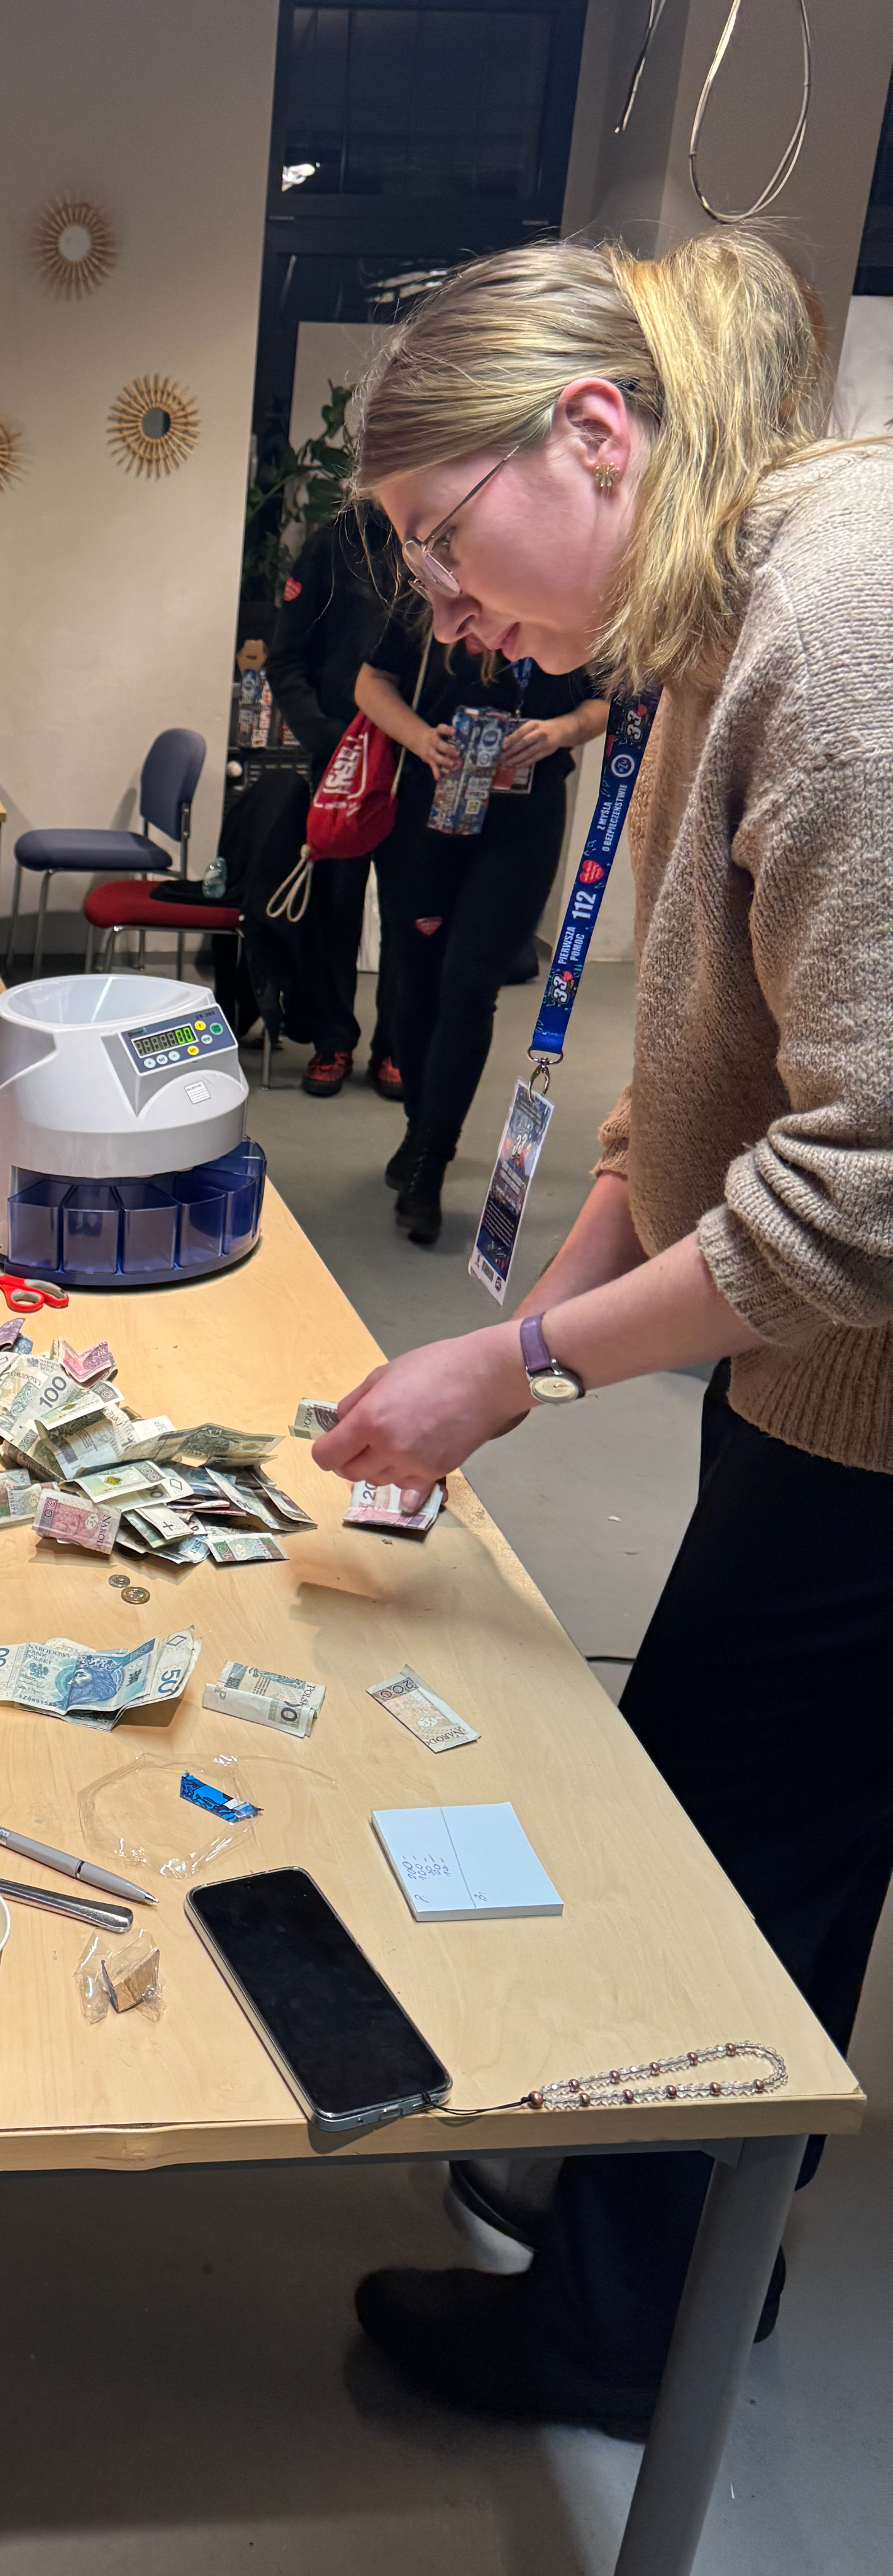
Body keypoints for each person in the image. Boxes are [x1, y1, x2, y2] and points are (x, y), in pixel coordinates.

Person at [313, 228, 893, 2432]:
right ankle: (647, 2227)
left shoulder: (840, 624)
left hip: (879, 1382)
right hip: (806, 1357)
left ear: (593, 433)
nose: (448, 615)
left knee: (747, 1846)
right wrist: (537, 1323)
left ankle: (631, 2331)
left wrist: (523, 1366)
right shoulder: (705, 618)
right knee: (737, 1792)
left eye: (447, 549)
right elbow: (704, 1072)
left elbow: (870, 1179)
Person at [355, 619, 606, 1240]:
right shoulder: (440, 595)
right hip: (429, 808)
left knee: (470, 985)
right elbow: (372, 682)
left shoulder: (574, 602)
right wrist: (419, 737)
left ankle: (432, 1160)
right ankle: (420, 1125)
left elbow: (606, 700)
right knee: (415, 980)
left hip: (525, 820)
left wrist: (559, 731)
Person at [263, 513, 402, 1099]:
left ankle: (395, 1047)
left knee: (408, 910)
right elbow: (285, 657)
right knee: (334, 907)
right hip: (342, 758)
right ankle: (332, 1039)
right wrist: (322, 737)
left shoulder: (450, 541)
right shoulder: (334, 544)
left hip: (419, 760)